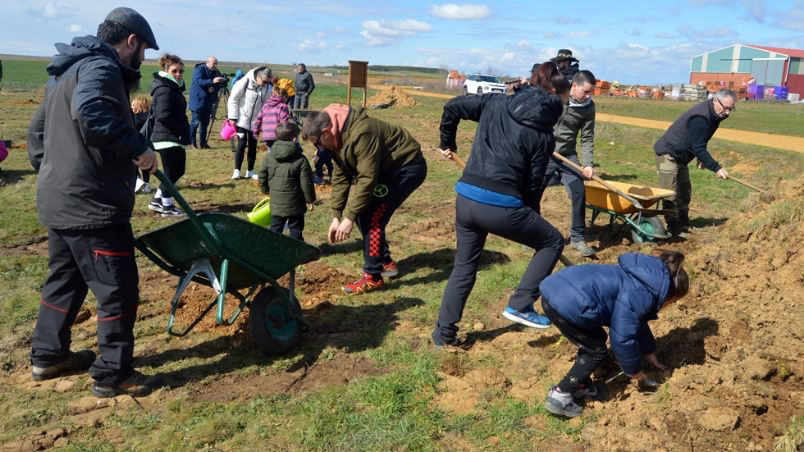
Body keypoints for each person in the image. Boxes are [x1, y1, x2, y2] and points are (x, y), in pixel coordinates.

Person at [26, 7, 162, 397]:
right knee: (117, 289)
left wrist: (56, 173)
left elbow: (37, 135)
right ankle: (113, 374)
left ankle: (48, 355)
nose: (142, 61)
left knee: (64, 281)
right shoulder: (101, 69)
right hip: (93, 206)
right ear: (130, 41)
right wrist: (139, 147)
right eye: (143, 52)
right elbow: (91, 114)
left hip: (62, 201)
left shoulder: (66, 70)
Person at [432, 62, 570, 346]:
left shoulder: (494, 102)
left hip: (466, 199)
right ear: (555, 94)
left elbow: (453, 107)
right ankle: (521, 303)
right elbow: (533, 183)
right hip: (500, 205)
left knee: (464, 267)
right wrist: (531, 213)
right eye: (566, 99)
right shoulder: (544, 135)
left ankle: (443, 334)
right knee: (552, 242)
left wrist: (448, 142)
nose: (567, 104)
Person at [539, 250, 689, 418]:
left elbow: (636, 320)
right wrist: (634, 371)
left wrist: (648, 351)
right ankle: (561, 394)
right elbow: (622, 337)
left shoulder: (641, 277)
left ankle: (581, 384)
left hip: (559, 289)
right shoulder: (642, 295)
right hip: (568, 304)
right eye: (672, 302)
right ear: (669, 295)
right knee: (595, 351)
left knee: (593, 341)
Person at [302, 104, 427, 294]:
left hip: (406, 167)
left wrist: (349, 217)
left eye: (318, 143)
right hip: (384, 170)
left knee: (371, 216)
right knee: (364, 214)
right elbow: (341, 174)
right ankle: (385, 262)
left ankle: (373, 276)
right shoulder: (335, 137)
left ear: (326, 131)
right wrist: (337, 215)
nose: (318, 148)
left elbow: (367, 179)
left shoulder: (362, 133)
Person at [654, 89, 733, 238]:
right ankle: (674, 228)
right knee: (670, 194)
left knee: (684, 191)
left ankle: (683, 223)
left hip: (682, 156)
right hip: (668, 153)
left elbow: (700, 140)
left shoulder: (716, 115)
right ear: (715, 100)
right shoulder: (701, 117)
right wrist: (716, 168)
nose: (728, 112)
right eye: (725, 107)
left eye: (731, 109)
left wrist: (700, 157)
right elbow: (699, 147)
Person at [543, 70, 598, 258]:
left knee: (578, 192)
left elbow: (587, 137)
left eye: (591, 92)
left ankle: (577, 238)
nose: (588, 96)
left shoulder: (589, 107)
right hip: (545, 153)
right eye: (585, 91)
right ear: (574, 86)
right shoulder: (556, 98)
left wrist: (588, 164)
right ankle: (530, 234)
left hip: (567, 155)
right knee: (533, 191)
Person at [148, 53, 191, 217]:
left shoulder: (171, 87)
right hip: (167, 137)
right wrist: (180, 130)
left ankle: (158, 200)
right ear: (166, 70)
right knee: (173, 171)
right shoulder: (165, 88)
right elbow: (163, 115)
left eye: (181, 71)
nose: (178, 74)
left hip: (170, 137)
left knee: (174, 171)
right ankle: (167, 206)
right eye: (175, 71)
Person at [257, 122, 316, 241]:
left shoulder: (269, 157)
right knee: (296, 229)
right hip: (296, 204)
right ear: (295, 139)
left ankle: (273, 249)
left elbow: (262, 175)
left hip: (276, 202)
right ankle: (297, 251)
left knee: (275, 228)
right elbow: (307, 182)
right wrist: (310, 200)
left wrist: (266, 190)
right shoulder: (301, 159)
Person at [228, 66, 271, 180]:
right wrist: (232, 117)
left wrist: (263, 121)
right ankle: (237, 170)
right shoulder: (244, 82)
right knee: (241, 144)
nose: (265, 84)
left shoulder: (267, 88)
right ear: (258, 77)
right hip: (241, 120)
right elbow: (233, 99)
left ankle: (250, 171)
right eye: (264, 81)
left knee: (253, 146)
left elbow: (266, 105)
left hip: (255, 122)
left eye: (267, 81)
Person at [188, 56, 224, 149]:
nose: (215, 65)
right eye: (214, 63)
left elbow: (219, 85)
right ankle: (192, 143)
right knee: (195, 123)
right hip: (197, 100)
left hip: (208, 101)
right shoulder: (199, 69)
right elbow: (198, 81)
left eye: (216, 64)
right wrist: (212, 81)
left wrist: (214, 88)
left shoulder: (216, 72)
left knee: (204, 124)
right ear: (207, 62)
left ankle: (203, 143)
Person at [131, 96, 153, 194]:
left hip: (136, 144)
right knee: (145, 166)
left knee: (134, 165)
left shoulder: (135, 119)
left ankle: (137, 182)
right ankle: (146, 184)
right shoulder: (149, 117)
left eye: (133, 105)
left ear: (139, 106)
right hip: (147, 144)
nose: (131, 107)